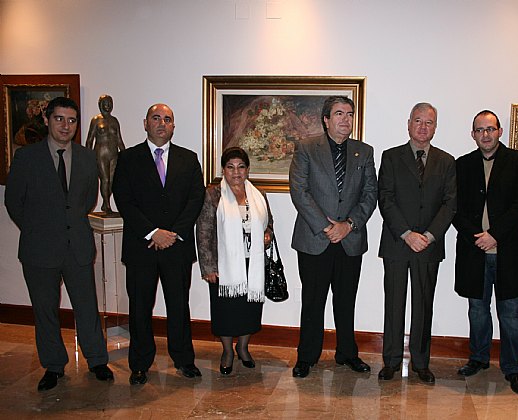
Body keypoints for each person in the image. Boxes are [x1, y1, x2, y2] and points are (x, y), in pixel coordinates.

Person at [5, 97, 113, 391]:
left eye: (72, 120)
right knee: (45, 309)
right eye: (60, 119)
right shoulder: (27, 158)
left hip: (77, 245)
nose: (66, 126)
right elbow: (14, 202)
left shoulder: (87, 157)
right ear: (46, 120)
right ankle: (53, 365)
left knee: (87, 306)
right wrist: (38, 228)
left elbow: (87, 198)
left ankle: (97, 360)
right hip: (39, 248)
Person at [112, 103, 205, 385]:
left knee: (179, 306)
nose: (162, 123)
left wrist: (173, 233)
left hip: (176, 248)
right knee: (140, 307)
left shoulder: (189, 159)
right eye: (156, 118)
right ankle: (140, 364)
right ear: (145, 123)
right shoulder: (128, 159)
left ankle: (184, 359)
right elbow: (124, 200)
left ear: (173, 126)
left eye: (168, 119)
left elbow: (195, 199)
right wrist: (153, 232)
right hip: (142, 248)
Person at [289, 96, 377, 378]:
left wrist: (348, 225)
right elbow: (299, 192)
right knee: (313, 301)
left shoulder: (364, 152)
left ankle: (347, 353)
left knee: (345, 300)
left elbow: (370, 195)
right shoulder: (306, 148)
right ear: (326, 120)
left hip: (350, 241)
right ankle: (307, 357)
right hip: (315, 239)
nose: (345, 119)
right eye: (339, 114)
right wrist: (327, 227)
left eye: (350, 114)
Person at [453, 110, 518, 395]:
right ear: (473, 134)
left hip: (509, 252)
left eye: (490, 129)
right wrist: (478, 238)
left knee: (511, 313)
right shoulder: (462, 165)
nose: (485, 134)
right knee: (477, 309)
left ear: (500, 131)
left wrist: (495, 236)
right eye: (479, 130)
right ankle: (478, 358)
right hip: (475, 251)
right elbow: (456, 208)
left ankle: (513, 368)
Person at [377, 102, 456, 384]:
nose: (423, 127)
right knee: (394, 304)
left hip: (429, 246)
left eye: (429, 122)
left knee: (424, 305)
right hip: (398, 244)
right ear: (408, 123)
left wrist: (429, 236)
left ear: (436, 127)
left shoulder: (447, 161)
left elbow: (450, 204)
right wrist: (407, 234)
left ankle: (421, 362)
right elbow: (384, 199)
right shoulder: (390, 157)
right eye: (418, 121)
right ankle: (391, 361)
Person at [196, 147, 273, 375]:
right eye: (230, 167)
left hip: (253, 264)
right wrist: (208, 267)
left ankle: (243, 347)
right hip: (223, 266)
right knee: (226, 312)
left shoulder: (259, 195)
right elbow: (204, 233)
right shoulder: (213, 195)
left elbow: (269, 223)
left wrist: (267, 234)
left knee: (249, 309)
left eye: (241, 167)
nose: (236, 172)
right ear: (223, 170)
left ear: (247, 170)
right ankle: (228, 351)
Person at [85, 94, 126, 214]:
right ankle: (107, 205)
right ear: (100, 105)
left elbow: (119, 140)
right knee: (105, 180)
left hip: (114, 153)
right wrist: (88, 157)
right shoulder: (96, 120)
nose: (107, 105)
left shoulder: (114, 121)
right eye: (105, 103)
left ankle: (105, 202)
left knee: (113, 181)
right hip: (100, 153)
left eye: (109, 103)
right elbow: (89, 140)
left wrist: (125, 156)